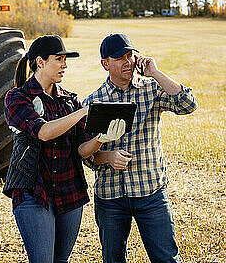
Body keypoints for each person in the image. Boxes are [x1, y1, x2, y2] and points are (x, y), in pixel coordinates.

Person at [2, 34, 126, 263]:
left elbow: (81, 151)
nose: (64, 65)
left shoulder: (69, 100)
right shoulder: (18, 98)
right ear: (40, 62)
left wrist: (100, 138)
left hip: (70, 192)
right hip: (33, 192)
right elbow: (43, 132)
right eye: (58, 59)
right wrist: (83, 112)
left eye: (65, 60)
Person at [83, 33, 198, 263]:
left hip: (151, 193)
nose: (128, 62)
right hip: (110, 197)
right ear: (105, 63)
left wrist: (155, 72)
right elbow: (86, 156)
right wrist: (108, 156)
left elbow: (188, 104)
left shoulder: (152, 89)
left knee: (166, 259)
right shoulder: (94, 101)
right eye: (119, 58)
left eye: (130, 55)